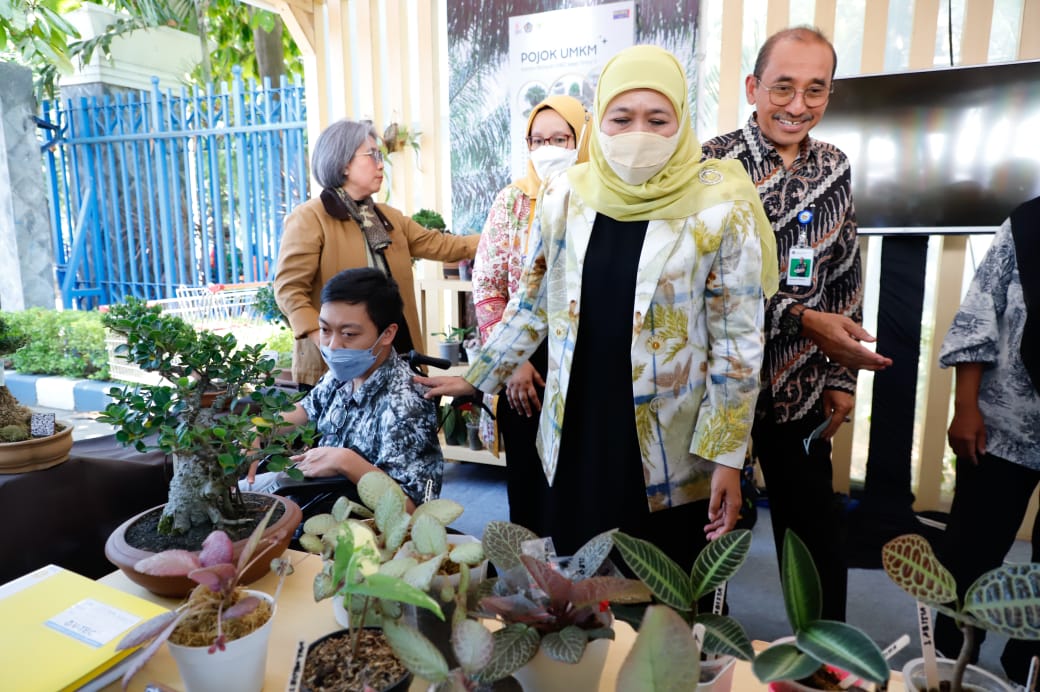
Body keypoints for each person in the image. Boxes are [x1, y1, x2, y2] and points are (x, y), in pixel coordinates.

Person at [418, 44, 777, 572]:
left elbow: (738, 344)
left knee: (656, 586)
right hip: (578, 427)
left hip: (668, 440)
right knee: (577, 578)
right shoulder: (565, 195)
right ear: (599, 122)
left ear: (681, 120)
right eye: (622, 117)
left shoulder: (721, 206)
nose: (639, 133)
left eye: (658, 119)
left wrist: (727, 455)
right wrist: (478, 375)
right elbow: (532, 302)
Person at [701, 26, 892, 622]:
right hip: (716, 388)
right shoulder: (710, 165)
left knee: (813, 537)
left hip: (803, 387)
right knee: (711, 532)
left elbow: (845, 276)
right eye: (784, 86)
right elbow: (701, 289)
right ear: (755, 87)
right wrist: (803, 319)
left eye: (816, 89)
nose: (798, 104)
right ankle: (698, 651)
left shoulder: (834, 166)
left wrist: (842, 377)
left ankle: (822, 663)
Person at [274, 118, 479, 389]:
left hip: (396, 362)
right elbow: (289, 290)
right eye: (372, 155)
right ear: (343, 163)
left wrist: (504, 232)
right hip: (336, 370)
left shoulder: (387, 217)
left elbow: (445, 246)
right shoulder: (311, 218)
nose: (381, 164)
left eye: (380, 155)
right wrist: (325, 341)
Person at [933, 195, 1040, 685]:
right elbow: (980, 313)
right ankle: (948, 661)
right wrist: (966, 406)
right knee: (970, 553)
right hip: (1001, 425)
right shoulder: (1027, 222)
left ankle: (1028, 665)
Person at [471, 94, 589, 536]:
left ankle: (580, 592)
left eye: (561, 138)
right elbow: (487, 287)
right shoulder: (511, 202)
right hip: (525, 369)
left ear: (583, 139)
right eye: (538, 140)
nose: (549, 149)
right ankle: (534, 586)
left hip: (583, 363)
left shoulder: (603, 200)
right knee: (529, 481)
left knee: (582, 482)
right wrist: (512, 361)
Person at [245, 267, 443, 511]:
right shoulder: (344, 374)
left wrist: (346, 462)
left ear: (387, 334)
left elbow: (414, 509)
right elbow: (306, 409)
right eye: (325, 330)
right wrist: (260, 430)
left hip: (359, 526)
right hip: (313, 496)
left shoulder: (406, 405)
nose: (333, 345)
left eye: (348, 334)